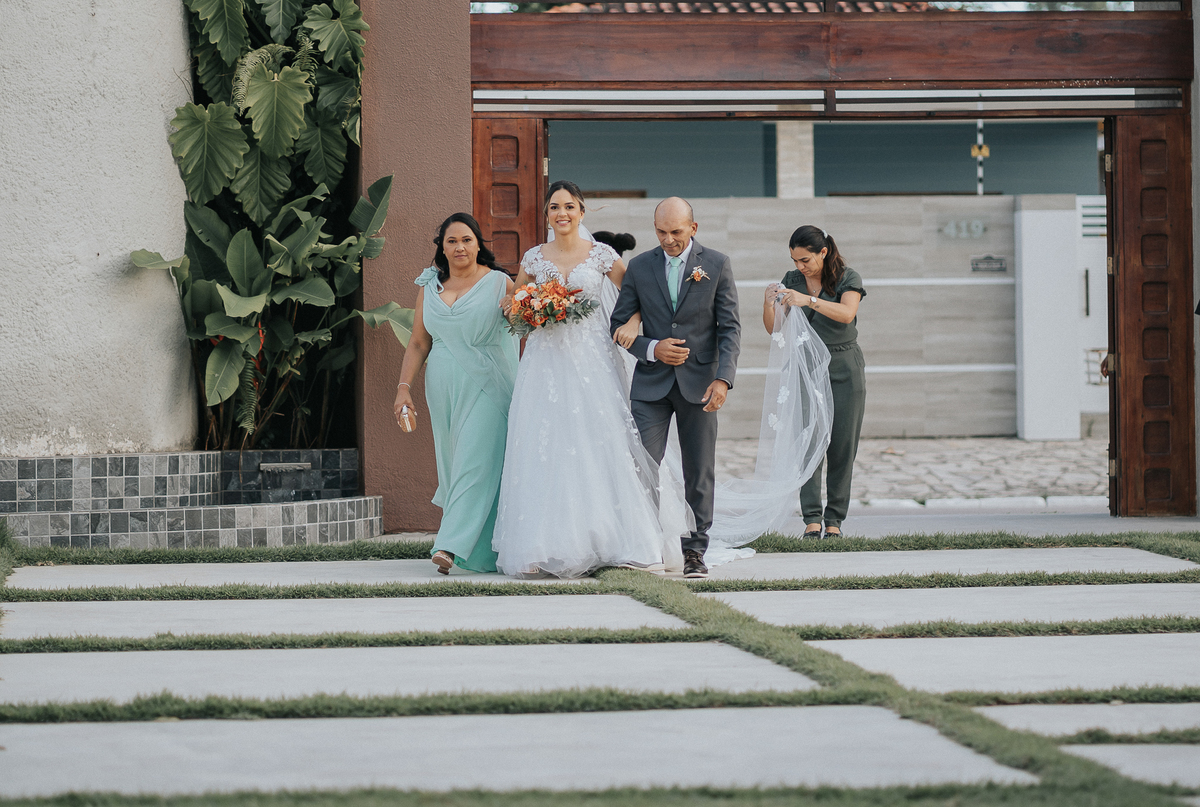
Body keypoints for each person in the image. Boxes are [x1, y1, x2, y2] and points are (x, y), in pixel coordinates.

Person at [493, 181, 682, 578]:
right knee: (547, 444)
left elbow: (640, 295)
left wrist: (631, 323)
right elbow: (513, 307)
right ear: (546, 215)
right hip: (544, 363)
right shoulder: (532, 258)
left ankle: (626, 541)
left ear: (582, 211)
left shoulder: (602, 255)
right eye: (554, 207)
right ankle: (546, 545)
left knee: (601, 439)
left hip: (593, 359)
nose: (562, 213)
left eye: (569, 206)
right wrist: (526, 309)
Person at [610, 197, 741, 579]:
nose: (668, 240)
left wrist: (723, 378)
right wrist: (652, 347)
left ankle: (695, 550)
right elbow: (618, 325)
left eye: (676, 232)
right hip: (650, 384)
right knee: (642, 466)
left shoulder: (716, 264)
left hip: (701, 383)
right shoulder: (639, 267)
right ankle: (647, 544)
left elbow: (730, 327)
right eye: (661, 232)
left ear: (693, 229)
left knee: (698, 470)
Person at [393, 213, 517, 574]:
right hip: (442, 386)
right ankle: (484, 551)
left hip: (489, 383)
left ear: (479, 244)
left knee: (474, 462)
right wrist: (404, 389)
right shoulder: (429, 287)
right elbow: (418, 342)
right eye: (452, 241)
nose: (460, 246)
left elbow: (522, 326)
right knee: (453, 463)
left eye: (466, 239)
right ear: (442, 248)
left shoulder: (499, 283)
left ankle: (448, 544)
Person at [764, 225, 865, 539]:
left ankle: (835, 520)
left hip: (844, 364)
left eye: (805, 260)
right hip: (804, 366)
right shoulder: (791, 280)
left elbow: (847, 313)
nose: (799, 267)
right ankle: (811, 518)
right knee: (807, 442)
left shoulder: (849, 278)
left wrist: (808, 300)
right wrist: (768, 303)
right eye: (795, 260)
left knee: (842, 444)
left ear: (824, 252)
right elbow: (774, 329)